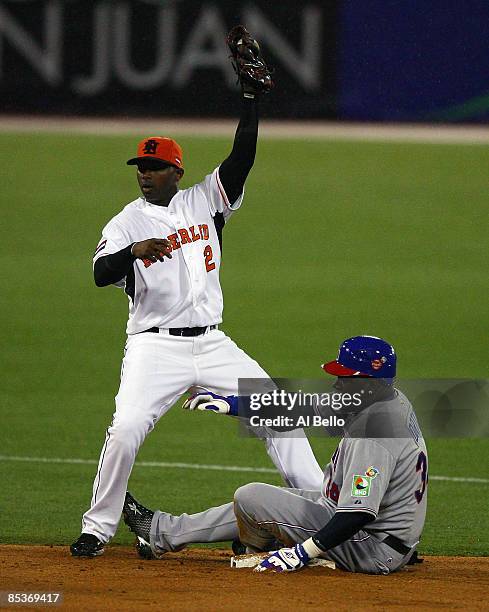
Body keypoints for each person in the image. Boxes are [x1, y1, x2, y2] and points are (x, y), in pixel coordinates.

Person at [70, 29, 323, 558]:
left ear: (176, 171)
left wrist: (250, 102)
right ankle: (98, 526)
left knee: (275, 410)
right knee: (126, 428)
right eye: (141, 166)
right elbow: (98, 273)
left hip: (212, 344)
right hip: (153, 346)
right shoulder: (124, 223)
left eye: (156, 166)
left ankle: (322, 505)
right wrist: (134, 252)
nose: (146, 174)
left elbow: (242, 158)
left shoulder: (203, 201)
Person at [122, 336, 428, 575]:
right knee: (270, 503)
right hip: (375, 532)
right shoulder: (382, 398)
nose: (337, 382)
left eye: (346, 376)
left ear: (369, 382)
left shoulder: (375, 433)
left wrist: (300, 553)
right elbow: (303, 408)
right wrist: (232, 404)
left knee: (252, 497)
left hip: (370, 546)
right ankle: (162, 532)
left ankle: (256, 549)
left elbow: (357, 513)